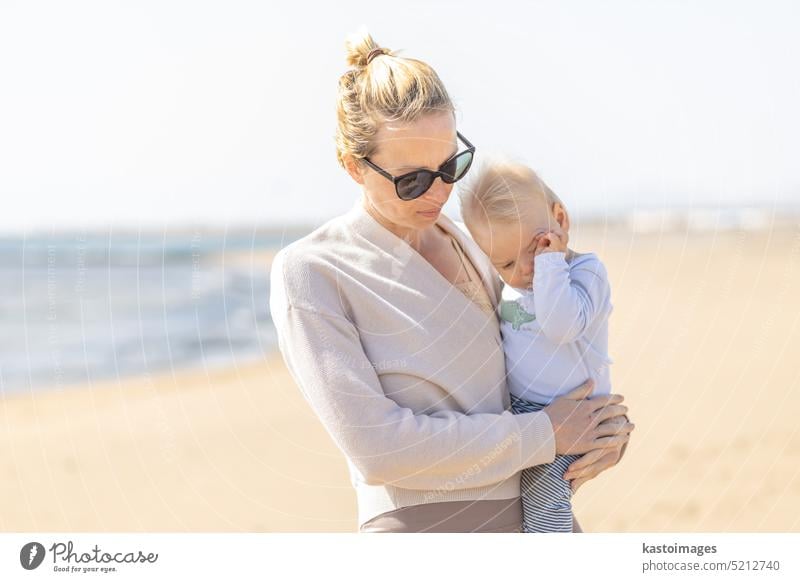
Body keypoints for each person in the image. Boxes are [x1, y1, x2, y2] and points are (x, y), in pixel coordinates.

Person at [268, 30, 634, 533]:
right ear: (353, 167)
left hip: (542, 521)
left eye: (449, 166)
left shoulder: (478, 246)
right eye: (411, 180)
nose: (438, 192)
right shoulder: (312, 272)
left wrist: (605, 430)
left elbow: (544, 357)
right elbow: (378, 450)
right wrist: (545, 434)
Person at [460, 158, 624, 532]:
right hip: (524, 412)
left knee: (543, 495)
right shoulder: (512, 285)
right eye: (505, 263)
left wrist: (552, 264)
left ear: (560, 222)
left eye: (535, 249)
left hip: (573, 411)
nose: (524, 270)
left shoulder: (586, 272)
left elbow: (560, 326)